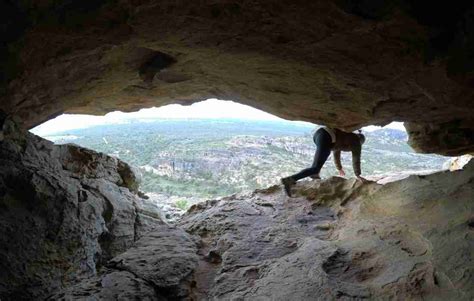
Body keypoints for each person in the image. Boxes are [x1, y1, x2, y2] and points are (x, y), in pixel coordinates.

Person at [281, 126, 366, 197]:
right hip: (326, 137)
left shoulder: (346, 136)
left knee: (317, 165)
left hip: (319, 134)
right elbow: (356, 158)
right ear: (360, 141)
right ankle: (289, 180)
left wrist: (339, 168)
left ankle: (314, 175)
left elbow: (336, 152)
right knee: (315, 168)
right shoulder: (356, 142)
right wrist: (358, 174)